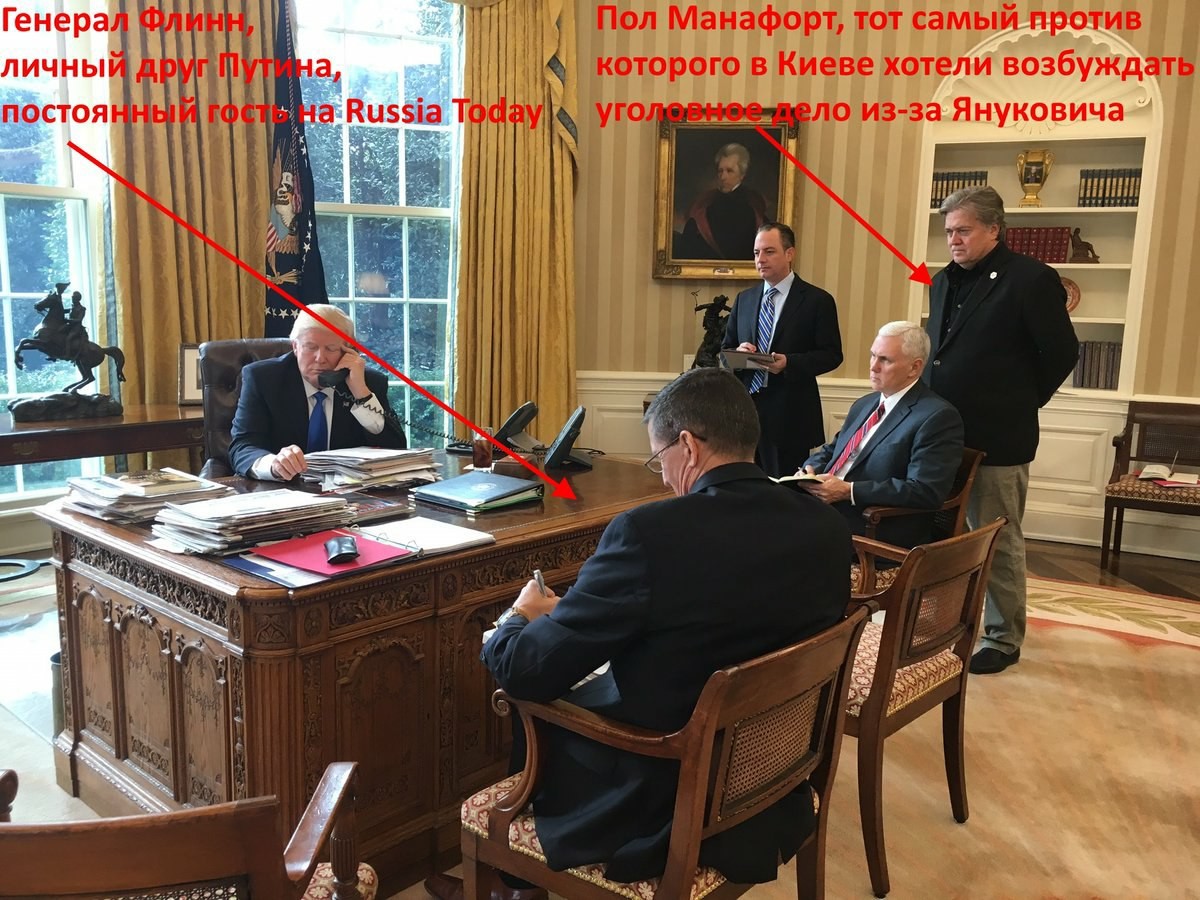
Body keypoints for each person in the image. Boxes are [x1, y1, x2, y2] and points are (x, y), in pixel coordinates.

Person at [424, 368, 850, 900]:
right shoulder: (825, 525)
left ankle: (517, 883)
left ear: (688, 447)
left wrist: (521, 616)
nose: (664, 477)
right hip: (771, 775)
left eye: (659, 458)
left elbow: (525, 673)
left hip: (662, 796)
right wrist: (578, 613)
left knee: (538, 705)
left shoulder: (651, 533)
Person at [926, 186, 1079, 675]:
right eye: (949, 231)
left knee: (997, 536)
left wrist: (1020, 400)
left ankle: (1002, 636)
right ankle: (947, 620)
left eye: (963, 230)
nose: (954, 239)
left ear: (994, 229)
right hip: (941, 431)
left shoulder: (1032, 279)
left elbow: (1062, 353)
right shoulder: (941, 281)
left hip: (999, 435)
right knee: (943, 533)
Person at [800, 321, 964, 549]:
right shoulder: (865, 404)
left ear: (914, 368)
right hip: (825, 508)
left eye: (885, 360)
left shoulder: (937, 417)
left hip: (872, 524)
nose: (873, 367)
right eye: (873, 356)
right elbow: (833, 450)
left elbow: (925, 490)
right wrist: (809, 470)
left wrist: (850, 491)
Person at [228, 303, 406, 479]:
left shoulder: (367, 381)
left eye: (331, 348)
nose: (320, 358)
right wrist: (274, 464)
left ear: (349, 351)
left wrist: (360, 393)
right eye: (311, 347)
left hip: (347, 490)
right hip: (285, 487)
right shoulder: (263, 379)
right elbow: (242, 447)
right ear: (295, 347)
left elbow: (395, 448)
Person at [722, 222, 843, 477]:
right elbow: (724, 354)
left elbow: (832, 355)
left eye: (769, 252)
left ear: (790, 254)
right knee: (743, 488)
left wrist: (789, 362)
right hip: (745, 415)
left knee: (783, 492)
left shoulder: (817, 301)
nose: (760, 260)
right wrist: (738, 353)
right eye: (756, 253)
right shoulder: (745, 299)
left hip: (790, 416)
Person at [675, 143, 767, 260]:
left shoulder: (752, 206)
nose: (723, 177)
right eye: (720, 171)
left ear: (742, 175)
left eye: (729, 171)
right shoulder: (706, 202)